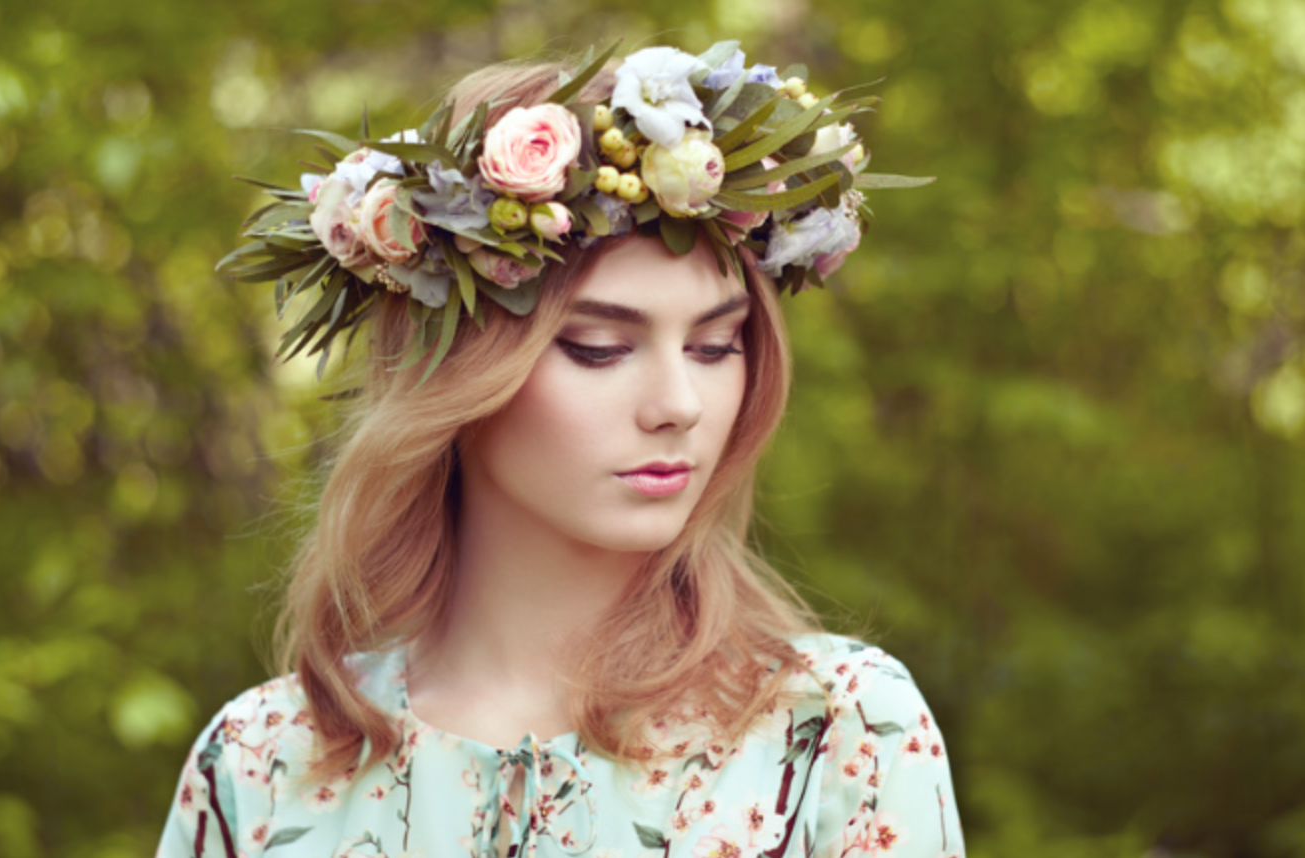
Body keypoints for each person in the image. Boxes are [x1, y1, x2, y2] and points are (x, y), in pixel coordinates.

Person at [159, 41, 964, 858]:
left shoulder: (837, 732)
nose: (679, 406)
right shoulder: (263, 761)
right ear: (454, 374)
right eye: (599, 349)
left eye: (716, 347)